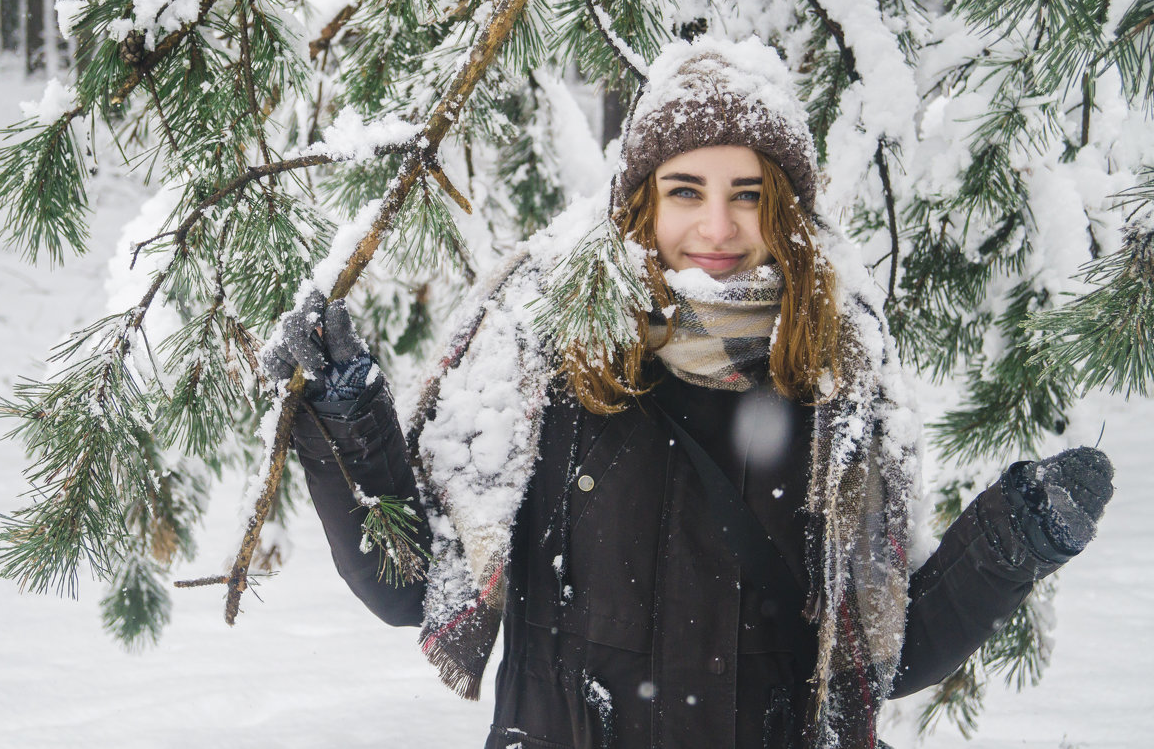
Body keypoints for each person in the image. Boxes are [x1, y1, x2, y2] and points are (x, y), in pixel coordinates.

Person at [266, 37, 1115, 749]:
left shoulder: (836, 383)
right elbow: (412, 585)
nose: (717, 227)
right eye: (685, 192)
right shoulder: (542, 357)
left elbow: (874, 655)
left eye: (749, 195)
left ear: (783, 211)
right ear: (639, 201)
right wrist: (349, 413)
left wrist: (1012, 539)